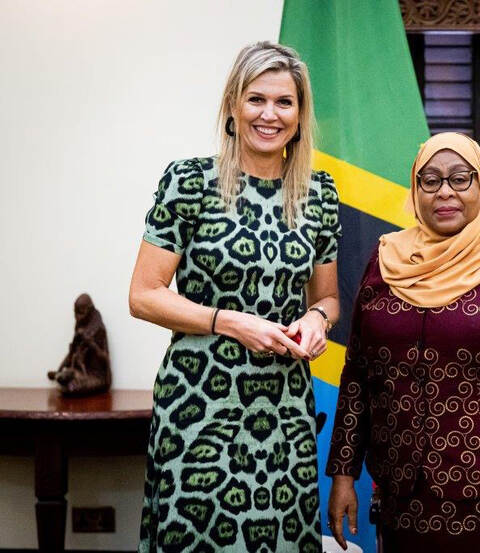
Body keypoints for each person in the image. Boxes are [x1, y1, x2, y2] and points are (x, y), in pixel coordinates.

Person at [129, 41, 341, 553]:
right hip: (199, 405)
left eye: (284, 102)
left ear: (300, 114)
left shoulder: (320, 193)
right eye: (256, 99)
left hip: (285, 409)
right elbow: (144, 295)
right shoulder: (189, 181)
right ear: (232, 105)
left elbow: (330, 298)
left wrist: (315, 320)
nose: (270, 114)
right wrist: (229, 321)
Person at [325, 132, 480, 552]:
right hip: (402, 498)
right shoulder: (388, 258)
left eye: (461, 179)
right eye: (430, 180)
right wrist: (344, 474)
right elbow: (358, 374)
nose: (445, 191)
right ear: (415, 188)